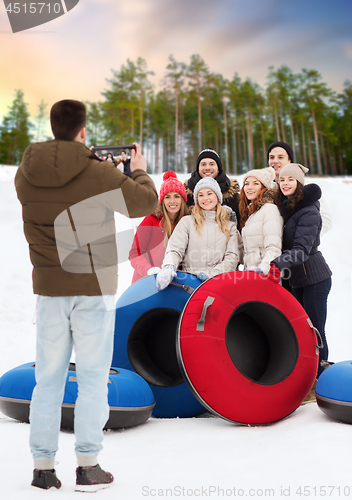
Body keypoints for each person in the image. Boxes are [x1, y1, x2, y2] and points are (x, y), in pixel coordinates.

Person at [15, 100, 158, 491]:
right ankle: (88, 467)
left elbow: (60, 187)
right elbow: (146, 202)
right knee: (93, 378)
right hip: (92, 288)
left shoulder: (25, 176)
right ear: (83, 130)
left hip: (49, 290)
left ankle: (43, 468)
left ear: (53, 126)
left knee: (47, 380)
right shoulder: (98, 173)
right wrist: (137, 170)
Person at [272, 163, 332, 378]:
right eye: (282, 180)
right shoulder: (289, 208)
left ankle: (320, 377)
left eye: (290, 180)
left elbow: (301, 251)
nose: (285, 183)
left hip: (315, 278)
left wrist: (277, 262)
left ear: (299, 183)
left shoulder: (309, 211)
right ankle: (309, 374)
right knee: (303, 331)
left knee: (316, 331)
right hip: (299, 279)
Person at [156, 177, 242, 290]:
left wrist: (213, 275)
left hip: (220, 285)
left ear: (217, 196)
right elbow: (175, 248)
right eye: (201, 195)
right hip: (190, 285)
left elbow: (233, 256)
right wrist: (169, 266)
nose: (205, 198)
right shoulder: (187, 222)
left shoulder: (229, 225)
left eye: (209, 193)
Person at [129, 171, 189, 283]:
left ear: (182, 199)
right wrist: (148, 270)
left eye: (176, 196)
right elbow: (135, 253)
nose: (172, 201)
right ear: (162, 200)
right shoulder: (151, 220)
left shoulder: (187, 223)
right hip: (147, 280)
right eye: (167, 197)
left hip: (175, 283)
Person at [267, 141, 332, 236]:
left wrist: (301, 239)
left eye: (280, 157)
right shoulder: (266, 188)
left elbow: (326, 220)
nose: (275, 161)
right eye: (271, 157)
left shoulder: (306, 187)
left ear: (290, 161)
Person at [239, 167, 283, 276]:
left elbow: (274, 248)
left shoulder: (270, 209)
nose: (249, 187)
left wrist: (262, 270)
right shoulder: (251, 214)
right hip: (251, 275)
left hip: (264, 276)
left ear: (264, 187)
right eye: (246, 183)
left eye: (255, 183)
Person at [184, 148, 241, 229]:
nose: (207, 168)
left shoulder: (232, 196)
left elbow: (240, 226)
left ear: (218, 168)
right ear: (198, 169)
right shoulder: (187, 195)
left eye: (212, 164)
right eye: (203, 164)